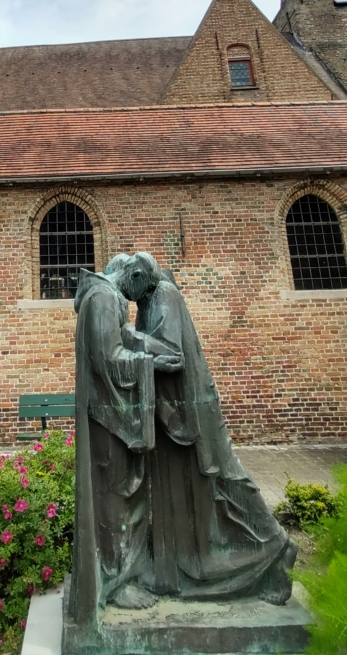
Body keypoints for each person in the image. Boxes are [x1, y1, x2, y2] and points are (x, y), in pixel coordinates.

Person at [119, 251, 297, 604]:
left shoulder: (164, 294)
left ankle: (279, 547)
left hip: (194, 407)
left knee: (226, 477)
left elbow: (172, 355)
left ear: (139, 276)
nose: (126, 296)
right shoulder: (147, 300)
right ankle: (177, 569)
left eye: (127, 287)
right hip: (172, 412)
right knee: (182, 488)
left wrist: (128, 337)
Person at [69, 256, 179, 623]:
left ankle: (125, 573)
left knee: (122, 493)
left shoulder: (102, 295)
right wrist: (151, 362)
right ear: (133, 275)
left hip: (110, 416)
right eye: (142, 291)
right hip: (110, 419)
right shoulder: (104, 298)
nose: (139, 301)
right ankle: (116, 582)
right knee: (117, 496)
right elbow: (109, 359)